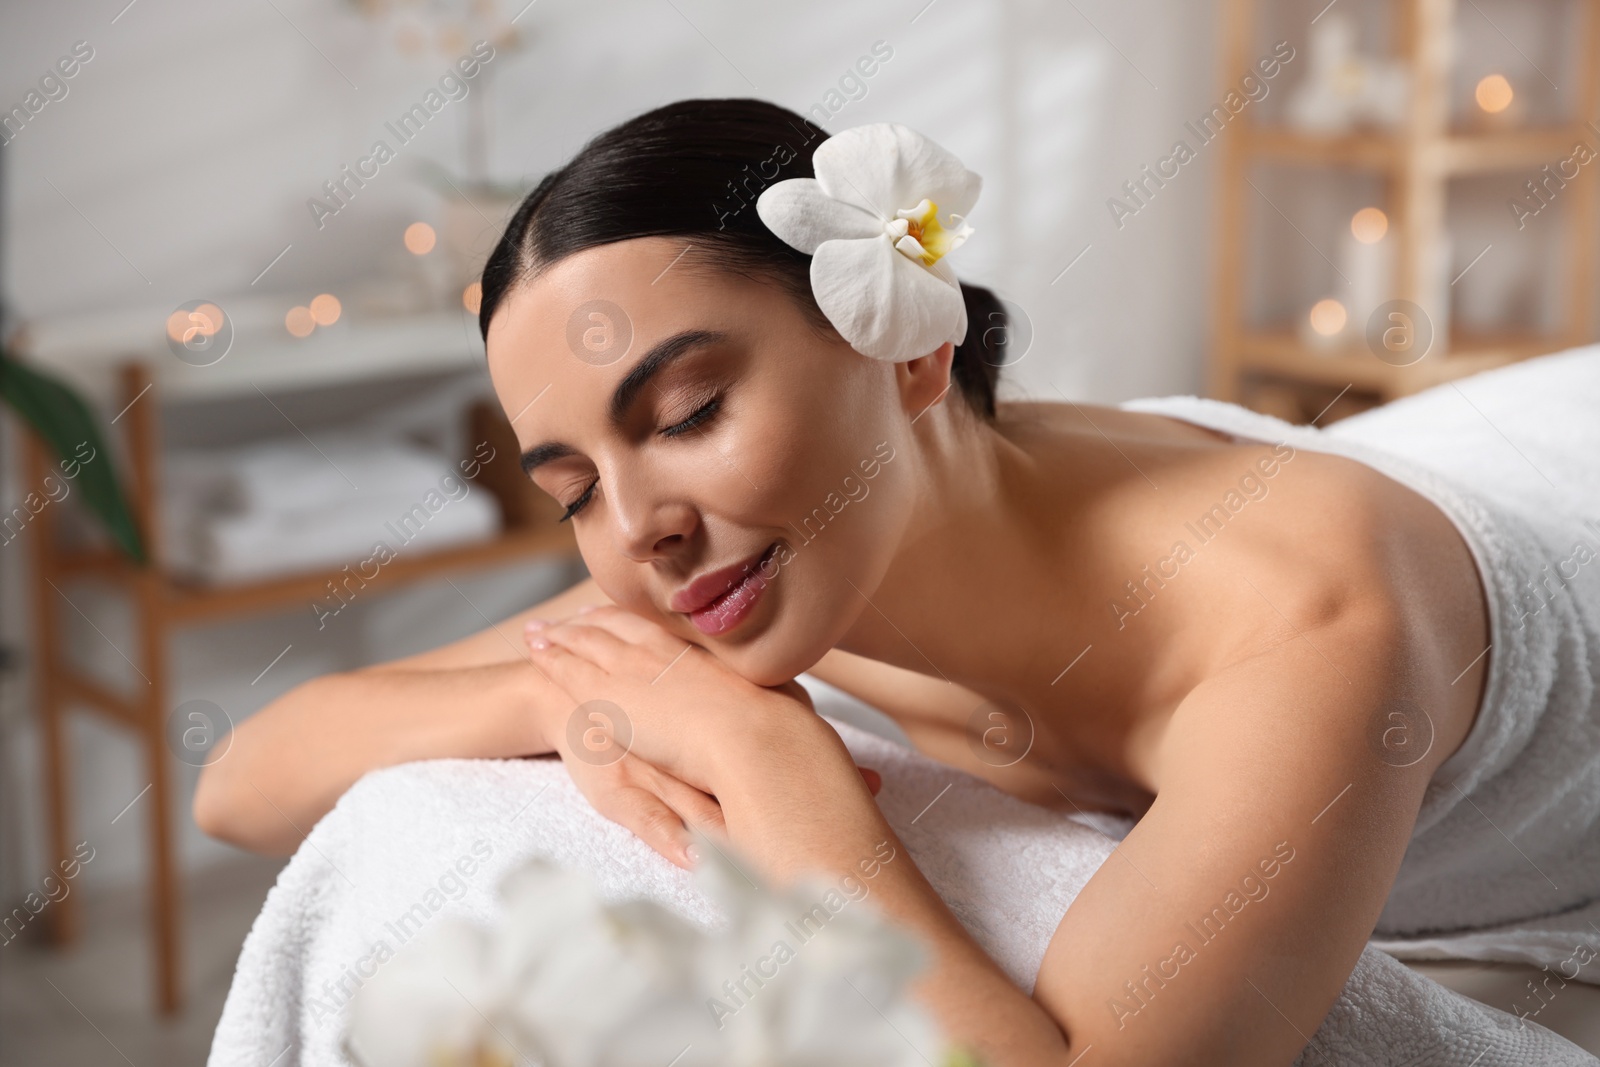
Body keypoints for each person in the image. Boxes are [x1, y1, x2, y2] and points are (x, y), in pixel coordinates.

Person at [195, 98, 1580, 1066]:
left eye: (683, 413)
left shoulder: (1311, 628)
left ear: (908, 349)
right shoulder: (736, 545)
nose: (636, 532)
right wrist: (581, 706)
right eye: (569, 487)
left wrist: (780, 779)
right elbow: (245, 782)